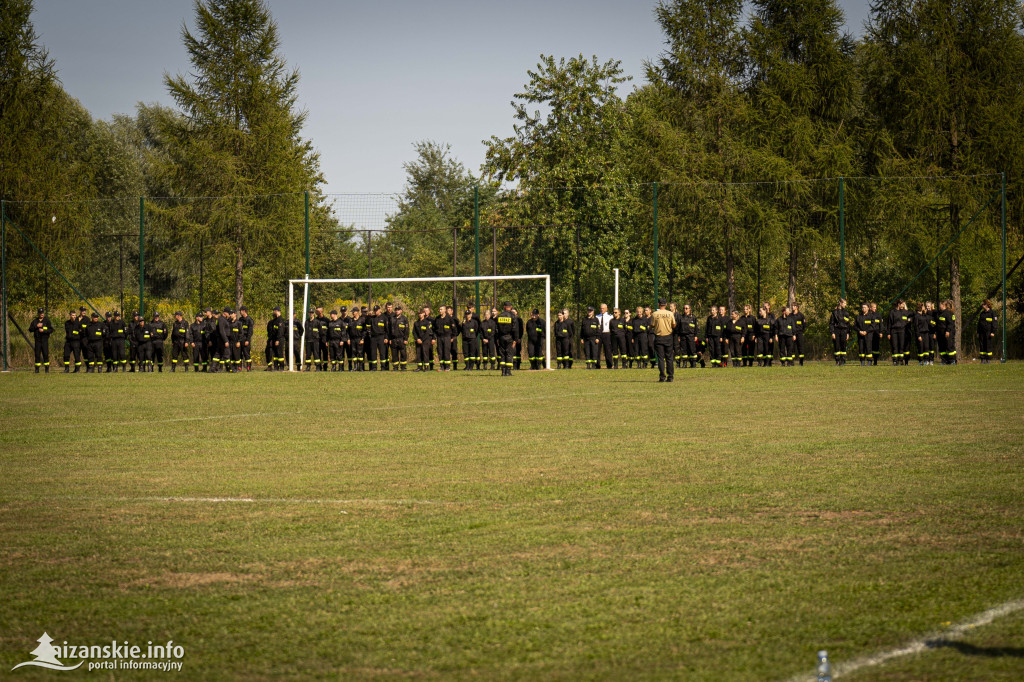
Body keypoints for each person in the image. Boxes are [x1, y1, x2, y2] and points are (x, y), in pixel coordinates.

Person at [650, 299, 676, 383]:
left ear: (658, 304)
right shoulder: (670, 313)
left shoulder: (655, 314)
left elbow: (652, 325)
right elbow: (674, 325)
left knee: (661, 358)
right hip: (668, 337)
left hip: (659, 337)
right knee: (669, 357)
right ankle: (670, 377)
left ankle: (662, 377)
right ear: (666, 304)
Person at [495, 301, 517, 376]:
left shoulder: (499, 316)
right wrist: (515, 340)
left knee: (502, 354)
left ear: (504, 307)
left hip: (501, 337)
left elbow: (496, 329)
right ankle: (508, 371)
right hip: (509, 337)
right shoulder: (512, 316)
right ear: (510, 307)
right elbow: (515, 329)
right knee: (509, 354)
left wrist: (497, 338)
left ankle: (503, 371)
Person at [887, 300, 911, 366]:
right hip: (894, 331)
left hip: (902, 331)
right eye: (902, 304)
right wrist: (888, 333)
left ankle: (901, 360)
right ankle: (895, 361)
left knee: (901, 346)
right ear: (898, 304)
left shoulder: (904, 312)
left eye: (904, 304)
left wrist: (909, 319)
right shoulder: (892, 312)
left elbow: (912, 314)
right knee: (894, 346)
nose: (903, 306)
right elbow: (889, 323)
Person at [30, 308, 53, 373]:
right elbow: (30, 329)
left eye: (42, 313)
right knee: (37, 354)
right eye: (40, 313)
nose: (42, 314)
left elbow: (51, 330)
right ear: (38, 314)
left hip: (45, 340)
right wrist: (36, 326)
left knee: (45, 354)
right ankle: (37, 369)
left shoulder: (47, 321)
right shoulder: (35, 321)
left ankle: (47, 369)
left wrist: (44, 330)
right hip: (37, 341)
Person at [828, 298, 851, 365]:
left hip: (844, 331)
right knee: (836, 346)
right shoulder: (834, 312)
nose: (845, 305)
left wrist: (848, 333)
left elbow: (848, 324)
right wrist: (832, 332)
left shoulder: (846, 313)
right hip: (836, 331)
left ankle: (843, 360)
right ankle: (837, 361)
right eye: (844, 303)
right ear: (840, 303)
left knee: (843, 345)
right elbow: (831, 323)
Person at [413, 307, 435, 371]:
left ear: (424, 314)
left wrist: (422, 340)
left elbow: (427, 332)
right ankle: (419, 367)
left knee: (425, 354)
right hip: (418, 341)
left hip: (426, 340)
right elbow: (414, 332)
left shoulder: (427, 322)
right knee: (419, 354)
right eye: (419, 314)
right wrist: (417, 339)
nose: (420, 315)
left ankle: (426, 367)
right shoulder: (416, 323)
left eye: (421, 313)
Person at [937, 299, 957, 364]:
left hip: (947, 333)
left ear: (943, 305)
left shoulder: (948, 313)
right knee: (942, 347)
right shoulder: (940, 313)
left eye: (940, 305)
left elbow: (950, 323)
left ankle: (952, 360)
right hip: (941, 334)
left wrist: (948, 331)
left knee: (949, 346)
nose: (939, 306)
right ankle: (944, 360)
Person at [390, 305, 410, 370]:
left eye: (398, 310)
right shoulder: (392, 318)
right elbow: (389, 330)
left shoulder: (404, 319)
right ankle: (395, 367)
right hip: (393, 339)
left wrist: (406, 339)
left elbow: (407, 330)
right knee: (394, 354)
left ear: (401, 311)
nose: (397, 311)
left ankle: (403, 367)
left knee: (403, 354)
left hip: (401, 339)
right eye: (396, 310)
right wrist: (389, 338)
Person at [348, 307, 366, 371]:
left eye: (354, 311)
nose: (353, 313)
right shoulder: (351, 320)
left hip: (359, 339)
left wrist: (362, 339)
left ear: (357, 312)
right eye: (352, 312)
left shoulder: (362, 320)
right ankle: (355, 367)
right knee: (354, 353)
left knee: (360, 353)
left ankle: (361, 367)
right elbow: (348, 331)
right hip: (352, 339)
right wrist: (348, 339)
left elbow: (364, 331)